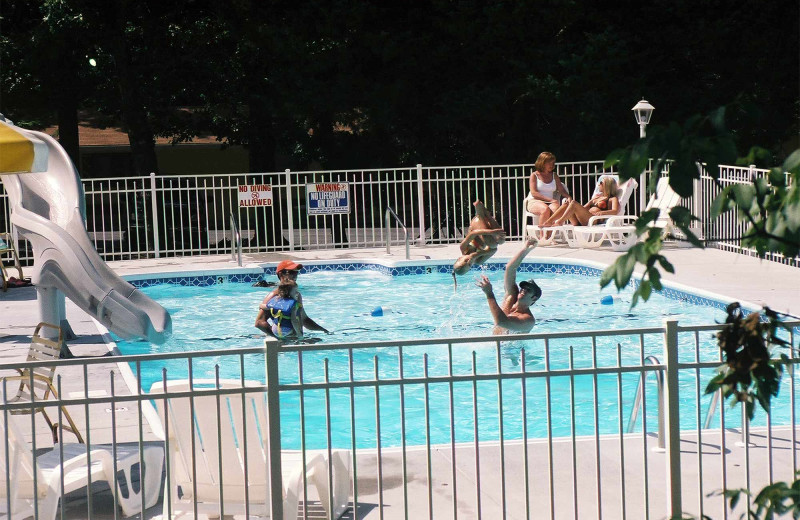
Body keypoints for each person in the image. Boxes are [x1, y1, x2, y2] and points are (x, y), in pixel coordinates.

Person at [476, 237, 541, 334]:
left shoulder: (528, 320)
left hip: (512, 349)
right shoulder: (511, 296)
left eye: (528, 289)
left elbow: (501, 322)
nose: (523, 290)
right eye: (523, 287)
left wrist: (489, 293)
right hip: (495, 344)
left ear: (534, 298)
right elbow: (510, 268)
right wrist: (526, 249)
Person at [255, 260, 330, 336]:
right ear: (281, 274)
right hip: (283, 340)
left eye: (296, 272)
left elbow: (304, 319)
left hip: (294, 338)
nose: (295, 275)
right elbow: (259, 322)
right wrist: (279, 338)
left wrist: (323, 330)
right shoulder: (273, 296)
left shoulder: (297, 295)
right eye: (291, 272)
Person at [453, 200, 507, 277]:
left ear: (459, 258)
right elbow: (494, 250)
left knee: (490, 242)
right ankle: (488, 215)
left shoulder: (463, 248)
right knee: (500, 241)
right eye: (469, 265)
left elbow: (473, 233)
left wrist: (492, 232)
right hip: (487, 231)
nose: (469, 261)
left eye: (465, 260)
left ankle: (480, 214)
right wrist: (477, 254)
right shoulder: (478, 261)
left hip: (477, 224)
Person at [540, 176, 620, 227]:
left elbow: (615, 211)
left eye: (601, 183)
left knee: (573, 203)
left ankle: (560, 222)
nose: (598, 184)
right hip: (583, 219)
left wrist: (603, 213)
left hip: (593, 220)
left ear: (607, 185)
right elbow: (584, 208)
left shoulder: (612, 198)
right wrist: (590, 202)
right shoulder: (597, 197)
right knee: (567, 204)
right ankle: (549, 221)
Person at [526, 151, 571, 224]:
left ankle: (548, 234)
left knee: (557, 209)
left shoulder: (554, 175)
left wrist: (568, 197)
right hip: (535, 201)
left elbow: (561, 190)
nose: (552, 165)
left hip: (550, 202)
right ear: (542, 163)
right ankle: (542, 234)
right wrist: (551, 200)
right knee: (545, 209)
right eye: (550, 163)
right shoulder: (534, 175)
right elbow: (534, 193)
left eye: (553, 163)